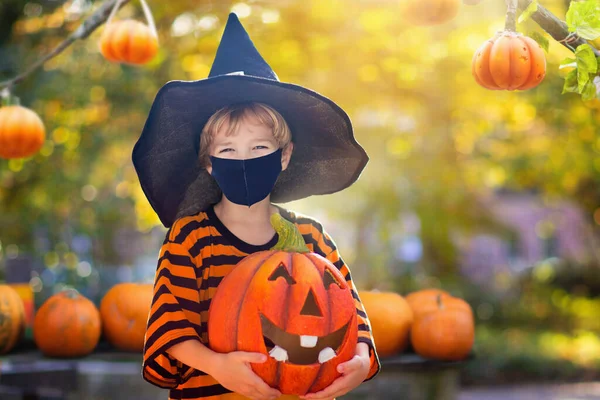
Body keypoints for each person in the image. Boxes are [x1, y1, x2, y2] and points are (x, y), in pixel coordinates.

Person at [132, 13, 380, 400]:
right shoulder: (192, 238)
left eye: (260, 148)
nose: (244, 160)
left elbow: (350, 314)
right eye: (228, 151)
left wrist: (361, 359)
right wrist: (218, 366)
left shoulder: (311, 237)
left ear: (284, 156)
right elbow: (170, 325)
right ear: (209, 164)